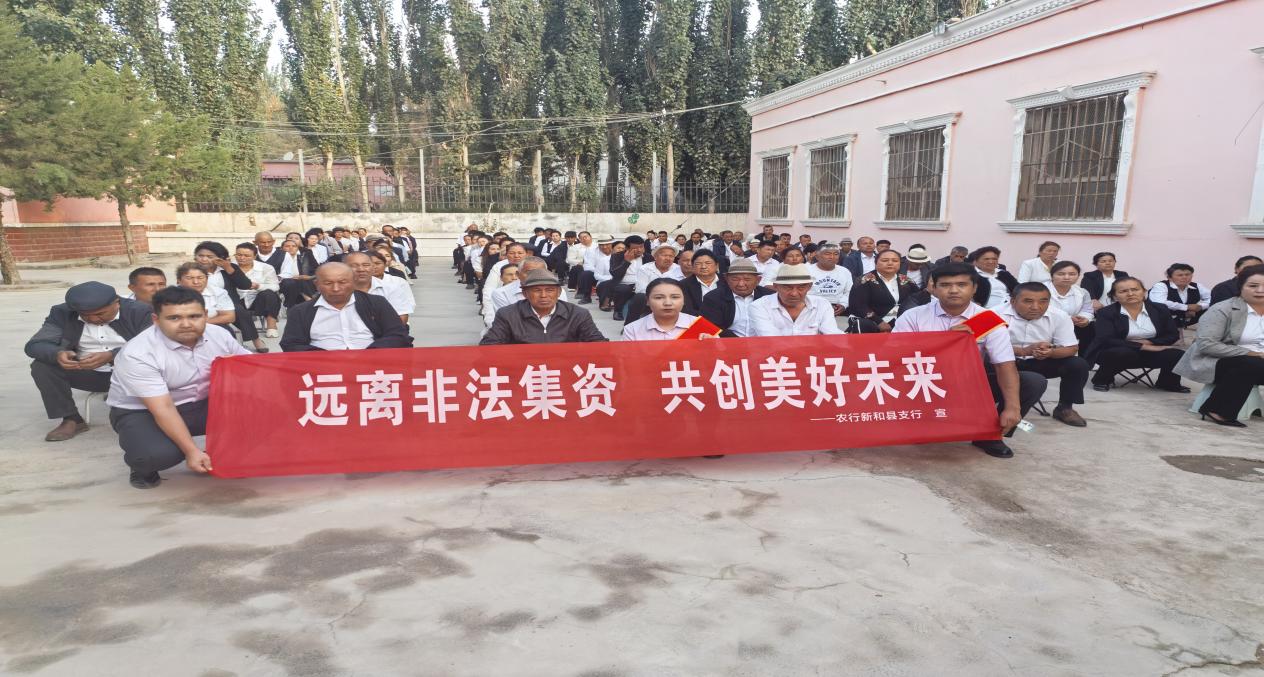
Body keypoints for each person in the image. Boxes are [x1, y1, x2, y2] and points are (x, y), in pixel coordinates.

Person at [893, 263, 1046, 459]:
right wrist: (945, 341)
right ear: (933, 288)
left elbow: (1004, 365)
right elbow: (895, 357)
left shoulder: (988, 320)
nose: (953, 290)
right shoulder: (913, 316)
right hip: (923, 382)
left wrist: (1012, 408)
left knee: (1032, 381)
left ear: (974, 288)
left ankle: (988, 435)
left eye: (962, 284)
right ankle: (921, 421)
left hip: (968, 383)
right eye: (945, 285)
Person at [106, 286, 252, 489]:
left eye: (194, 316)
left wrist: (238, 367)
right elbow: (163, 408)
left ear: (205, 315)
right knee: (156, 455)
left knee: (272, 413)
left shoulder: (219, 335)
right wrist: (191, 451)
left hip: (204, 402)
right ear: (156, 320)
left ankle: (220, 455)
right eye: (174, 318)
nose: (186, 324)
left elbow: (254, 368)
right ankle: (143, 467)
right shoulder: (138, 353)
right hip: (145, 411)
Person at [26, 282, 153, 442]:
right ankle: (72, 419)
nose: (93, 319)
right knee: (42, 366)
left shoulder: (140, 311)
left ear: (117, 303)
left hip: (135, 375)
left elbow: (154, 344)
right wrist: (58, 353)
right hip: (87, 372)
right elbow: (36, 345)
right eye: (85, 315)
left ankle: (156, 414)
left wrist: (113, 355)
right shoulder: (62, 312)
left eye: (100, 314)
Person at [1175, 264, 1264, 426]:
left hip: (1257, 363)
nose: (1260, 290)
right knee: (1251, 364)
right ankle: (1218, 410)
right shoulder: (1223, 309)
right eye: (1253, 286)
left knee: (1255, 364)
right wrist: (1253, 353)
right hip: (1218, 361)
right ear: (1241, 287)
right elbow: (1207, 345)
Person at [997, 283, 1090, 427]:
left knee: (1077, 364)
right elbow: (984, 348)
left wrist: (1051, 352)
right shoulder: (994, 314)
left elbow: (1071, 348)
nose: (1036, 307)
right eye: (1028, 301)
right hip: (1003, 362)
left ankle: (1065, 408)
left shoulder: (1059, 316)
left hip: (1038, 361)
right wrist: (1023, 351)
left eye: (1043, 301)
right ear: (1013, 301)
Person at [280, 263, 413, 351]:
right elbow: (291, 344)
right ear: (317, 284)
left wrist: (370, 354)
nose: (336, 288)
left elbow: (397, 335)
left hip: (371, 366)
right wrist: (325, 358)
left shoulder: (376, 303)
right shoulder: (301, 311)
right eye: (328, 283)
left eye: (342, 282)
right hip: (323, 370)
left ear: (354, 282)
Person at [1087, 277, 1188, 393]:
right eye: (1123, 291)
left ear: (1144, 291)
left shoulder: (1160, 309)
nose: (1130, 294)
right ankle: (1102, 379)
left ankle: (1167, 383)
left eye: (1135, 289)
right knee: (1122, 353)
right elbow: (1106, 339)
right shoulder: (1106, 312)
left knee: (1177, 354)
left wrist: (1149, 343)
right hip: (1116, 352)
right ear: (1114, 296)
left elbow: (1172, 334)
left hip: (1151, 351)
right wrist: (1141, 346)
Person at [481, 268, 607, 345]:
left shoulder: (577, 314)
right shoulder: (508, 314)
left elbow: (598, 344)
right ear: (525, 293)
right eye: (536, 290)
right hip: (524, 371)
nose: (543, 295)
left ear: (559, 292)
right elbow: (489, 346)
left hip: (564, 370)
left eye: (550, 290)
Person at [194, 241, 263, 350]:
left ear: (220, 258)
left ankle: (256, 339)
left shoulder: (229, 268)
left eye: (209, 257)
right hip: (202, 301)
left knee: (239, 310)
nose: (204, 259)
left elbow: (245, 285)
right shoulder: (192, 270)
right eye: (200, 256)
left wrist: (228, 268)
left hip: (228, 302)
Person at [749, 264, 843, 336]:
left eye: (801, 288)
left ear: (809, 287)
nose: (794, 293)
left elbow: (832, 333)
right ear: (776, 286)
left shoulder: (822, 304)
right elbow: (771, 339)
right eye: (787, 287)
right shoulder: (759, 306)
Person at [847, 250, 920, 332]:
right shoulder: (864, 280)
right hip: (872, 320)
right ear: (876, 263)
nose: (890, 263)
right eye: (885, 260)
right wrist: (879, 322)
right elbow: (858, 306)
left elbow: (918, 300)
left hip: (900, 320)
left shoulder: (907, 280)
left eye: (895, 261)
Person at [486, 257, 571, 327]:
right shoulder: (501, 293)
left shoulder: (557, 291)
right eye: (529, 272)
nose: (535, 276)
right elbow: (509, 322)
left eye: (539, 272)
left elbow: (562, 318)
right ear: (518, 274)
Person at [700, 258, 775, 338]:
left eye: (747, 279)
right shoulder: (713, 298)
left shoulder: (769, 297)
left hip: (764, 342)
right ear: (727, 279)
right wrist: (739, 343)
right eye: (735, 279)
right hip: (728, 343)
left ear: (758, 280)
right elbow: (713, 327)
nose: (741, 284)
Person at [348, 251, 415, 325]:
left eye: (366, 265)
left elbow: (402, 315)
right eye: (354, 265)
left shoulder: (394, 286)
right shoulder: (341, 289)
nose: (361, 269)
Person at [232, 243, 283, 339]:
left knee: (270, 294)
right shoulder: (230, 267)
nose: (242, 258)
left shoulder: (266, 268)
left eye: (246, 255)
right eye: (239, 255)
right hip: (236, 299)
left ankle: (271, 326)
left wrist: (258, 286)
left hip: (257, 299)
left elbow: (275, 286)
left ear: (254, 256)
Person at [176, 262, 238, 338]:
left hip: (212, 327)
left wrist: (203, 322)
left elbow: (230, 317)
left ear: (207, 278)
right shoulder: (171, 295)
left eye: (200, 278)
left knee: (226, 332)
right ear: (179, 280)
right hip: (181, 329)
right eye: (189, 278)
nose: (196, 282)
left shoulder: (218, 292)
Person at [622, 279, 698, 340]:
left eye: (675, 297)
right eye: (659, 297)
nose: (668, 303)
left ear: (684, 300)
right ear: (648, 301)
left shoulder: (697, 325)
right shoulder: (632, 330)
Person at [1045, 260, 1094, 350]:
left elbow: (1087, 309)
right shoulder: (1041, 290)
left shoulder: (1082, 292)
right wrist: (1067, 318)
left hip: (1073, 326)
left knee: (1091, 328)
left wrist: (1084, 318)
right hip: (1046, 325)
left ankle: (1084, 356)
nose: (1066, 277)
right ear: (1052, 275)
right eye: (1061, 274)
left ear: (1078, 276)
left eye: (1072, 274)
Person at [1149, 263, 1210, 328]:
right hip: (1163, 324)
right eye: (1180, 275)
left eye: (1187, 274)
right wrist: (1186, 307)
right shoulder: (1161, 285)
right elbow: (1160, 303)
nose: (1184, 277)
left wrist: (1200, 306)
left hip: (1190, 324)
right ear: (1169, 278)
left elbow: (1212, 298)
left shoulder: (1197, 286)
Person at [607, 235, 646, 321]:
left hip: (643, 283)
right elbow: (615, 274)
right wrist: (627, 261)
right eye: (635, 248)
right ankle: (618, 311)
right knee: (622, 289)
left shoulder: (648, 257)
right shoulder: (617, 256)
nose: (639, 250)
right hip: (624, 284)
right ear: (627, 248)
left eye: (641, 247)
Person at [277, 238, 319, 308]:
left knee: (300, 281)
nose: (291, 248)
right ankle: (310, 301)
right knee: (296, 281)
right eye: (287, 246)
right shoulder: (278, 259)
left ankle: (309, 301)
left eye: (294, 246)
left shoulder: (302, 258)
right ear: (282, 249)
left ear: (297, 248)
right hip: (283, 283)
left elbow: (317, 270)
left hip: (302, 282)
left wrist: (309, 277)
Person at [681, 250, 726, 316]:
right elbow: (687, 310)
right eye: (698, 264)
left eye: (708, 263)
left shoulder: (727, 282)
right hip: (697, 320)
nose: (703, 267)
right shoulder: (683, 285)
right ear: (693, 267)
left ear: (717, 266)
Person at [576, 237, 614, 305]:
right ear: (598, 245)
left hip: (614, 276)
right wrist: (599, 271)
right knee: (586, 274)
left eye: (607, 244)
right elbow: (587, 266)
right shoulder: (591, 251)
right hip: (597, 275)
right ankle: (586, 297)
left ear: (611, 244)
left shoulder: (617, 251)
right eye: (601, 245)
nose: (604, 247)